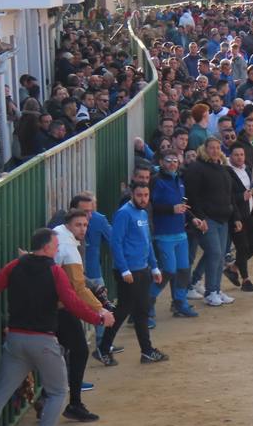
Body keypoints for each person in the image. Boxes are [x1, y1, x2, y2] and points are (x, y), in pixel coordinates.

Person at [0, 228, 114, 426]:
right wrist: (98, 318)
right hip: (42, 341)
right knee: (57, 391)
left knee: (1, 391)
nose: (57, 250)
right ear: (46, 247)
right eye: (55, 246)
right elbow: (72, 302)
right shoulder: (55, 272)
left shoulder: (15, 265)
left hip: (16, 339)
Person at [95, 182, 169, 364]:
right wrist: (124, 269)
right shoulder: (123, 213)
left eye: (146, 195)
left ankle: (146, 351)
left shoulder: (143, 213)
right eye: (139, 195)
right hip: (128, 272)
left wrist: (154, 266)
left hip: (142, 269)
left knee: (141, 311)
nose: (143, 199)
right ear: (132, 195)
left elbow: (147, 242)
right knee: (123, 311)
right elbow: (115, 243)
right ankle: (103, 348)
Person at [53, 209, 104, 422]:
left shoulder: (58, 235)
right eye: (78, 225)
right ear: (69, 225)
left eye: (85, 225)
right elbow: (78, 286)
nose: (82, 229)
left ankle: (49, 400)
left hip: (51, 306)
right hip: (60, 308)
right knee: (80, 350)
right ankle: (74, 403)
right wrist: (99, 308)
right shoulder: (68, 248)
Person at [184, 138, 236, 307]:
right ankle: (211, 292)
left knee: (219, 255)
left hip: (223, 217)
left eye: (217, 147)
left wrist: (233, 216)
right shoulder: (198, 168)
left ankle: (215, 288)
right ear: (205, 149)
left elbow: (229, 193)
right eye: (211, 148)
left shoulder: (222, 168)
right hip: (208, 219)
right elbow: (194, 196)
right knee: (214, 253)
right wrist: (200, 217)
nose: (214, 150)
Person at [149, 151, 200, 319]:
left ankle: (180, 303)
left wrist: (192, 219)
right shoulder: (157, 181)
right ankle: (146, 305)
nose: (172, 163)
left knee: (184, 270)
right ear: (162, 162)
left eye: (175, 161)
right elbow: (152, 206)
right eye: (168, 160)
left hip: (180, 233)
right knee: (168, 271)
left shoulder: (179, 179)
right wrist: (172, 209)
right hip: (164, 234)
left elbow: (182, 205)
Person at [226, 144, 253, 290]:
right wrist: (241, 196)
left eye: (241, 155)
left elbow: (251, 186)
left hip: (250, 213)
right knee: (242, 247)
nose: (240, 157)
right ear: (230, 156)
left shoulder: (248, 169)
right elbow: (227, 196)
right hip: (236, 216)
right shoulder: (227, 171)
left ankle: (233, 267)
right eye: (236, 155)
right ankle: (246, 280)